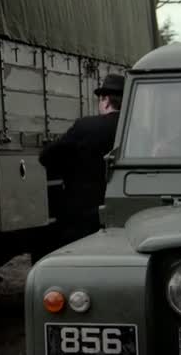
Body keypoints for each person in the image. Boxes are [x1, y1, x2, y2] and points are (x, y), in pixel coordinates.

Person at [38, 73, 124, 247]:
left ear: (106, 100)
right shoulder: (138, 130)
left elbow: (46, 157)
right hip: (123, 216)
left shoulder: (85, 126)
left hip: (83, 220)